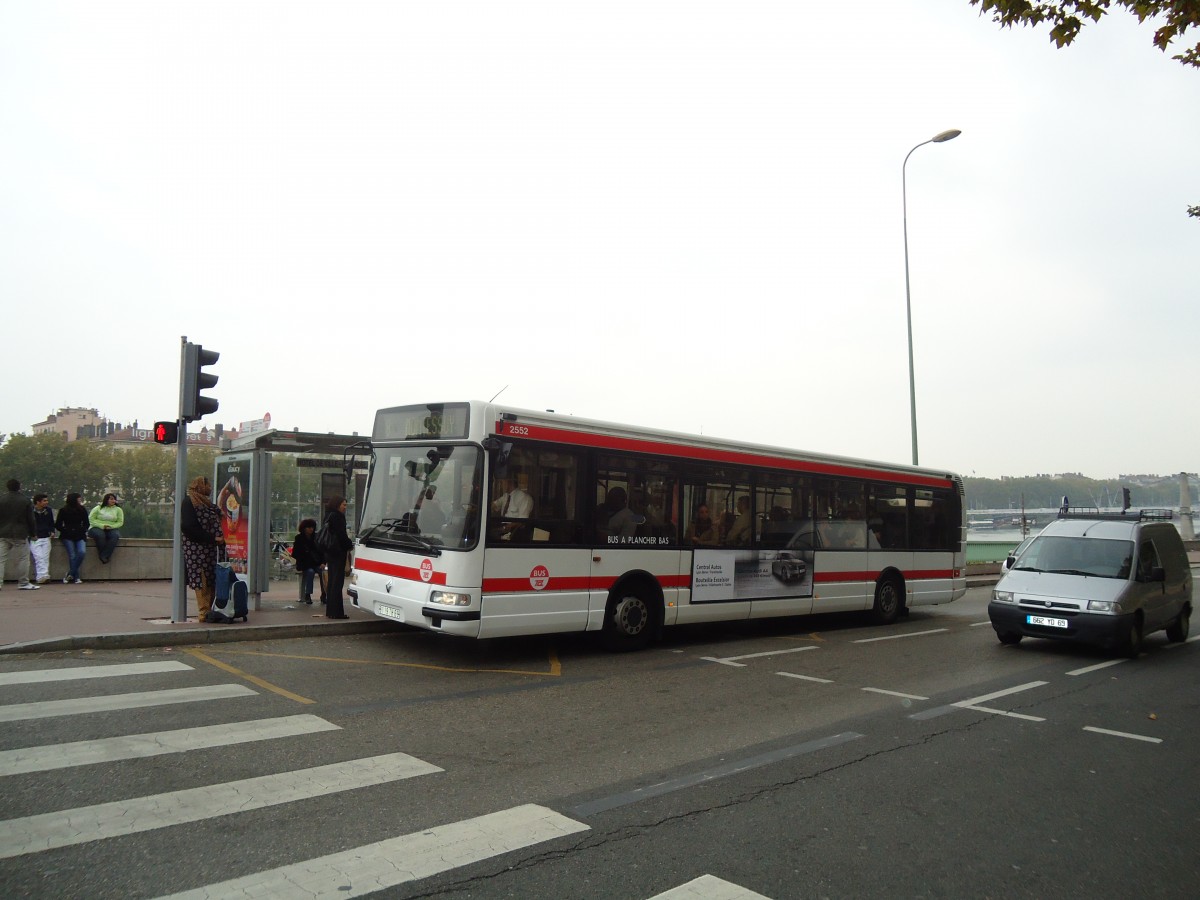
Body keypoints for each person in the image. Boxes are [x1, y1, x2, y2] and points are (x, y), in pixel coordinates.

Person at [180, 476, 224, 622]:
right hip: (196, 549)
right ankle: (203, 612)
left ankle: (209, 611)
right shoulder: (190, 501)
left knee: (211, 578)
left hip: (211, 550)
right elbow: (188, 527)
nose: (210, 488)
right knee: (201, 580)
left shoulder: (207, 503)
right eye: (208, 485)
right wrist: (211, 538)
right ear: (200, 486)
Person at [0, 479, 39, 591]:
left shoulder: (1, 499)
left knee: (1, 559)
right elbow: (31, 519)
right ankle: (23, 582)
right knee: (23, 558)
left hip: (3, 533)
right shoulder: (25, 500)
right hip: (20, 533)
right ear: (19, 487)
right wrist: (33, 533)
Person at [321, 495, 353, 619]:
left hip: (330, 552)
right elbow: (341, 535)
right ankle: (337, 612)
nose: (345, 507)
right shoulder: (338, 517)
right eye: (343, 505)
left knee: (332, 582)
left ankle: (330, 611)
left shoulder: (328, 515)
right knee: (337, 583)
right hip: (338, 552)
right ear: (337, 505)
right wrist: (349, 545)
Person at [55, 492, 89, 583]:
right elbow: (58, 524)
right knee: (72, 555)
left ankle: (70, 574)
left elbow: (86, 523)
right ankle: (76, 577)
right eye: (79, 498)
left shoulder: (82, 509)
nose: (80, 500)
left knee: (82, 552)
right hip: (67, 535)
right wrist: (65, 530)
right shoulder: (63, 510)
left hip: (80, 534)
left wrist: (82, 530)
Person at [292, 517, 325, 605]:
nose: (311, 529)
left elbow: (322, 551)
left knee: (323, 572)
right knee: (310, 572)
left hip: (316, 563)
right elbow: (295, 553)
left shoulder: (316, 538)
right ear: (304, 528)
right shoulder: (299, 538)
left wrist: (323, 562)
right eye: (309, 527)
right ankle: (308, 594)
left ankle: (324, 593)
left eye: (312, 527)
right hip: (304, 564)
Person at [490, 473, 532, 540]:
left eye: (502, 482)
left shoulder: (524, 498)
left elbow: (522, 521)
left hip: (514, 532)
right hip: (502, 527)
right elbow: (494, 505)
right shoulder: (506, 496)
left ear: (508, 482)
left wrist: (505, 528)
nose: (500, 485)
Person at [88, 493, 123, 564]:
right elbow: (91, 519)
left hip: (111, 528)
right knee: (100, 535)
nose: (113, 501)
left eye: (114, 499)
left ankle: (104, 555)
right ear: (106, 500)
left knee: (115, 536)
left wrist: (111, 527)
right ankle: (103, 555)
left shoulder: (118, 509)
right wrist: (102, 526)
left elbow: (120, 522)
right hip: (96, 527)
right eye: (111, 499)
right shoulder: (98, 508)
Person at [30, 493, 55, 583]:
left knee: (45, 557)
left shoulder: (48, 510)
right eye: (44, 501)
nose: (46, 502)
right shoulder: (30, 511)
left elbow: (51, 522)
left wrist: (52, 531)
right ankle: (43, 576)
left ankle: (43, 576)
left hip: (46, 536)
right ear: (38, 502)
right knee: (39, 557)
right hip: (35, 538)